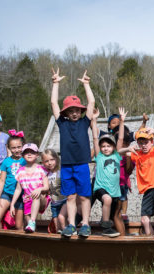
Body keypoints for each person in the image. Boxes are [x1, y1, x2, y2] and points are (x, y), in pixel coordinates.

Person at [51, 68, 96, 237]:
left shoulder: (85, 122)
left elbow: (91, 103)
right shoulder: (62, 123)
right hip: (67, 166)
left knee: (84, 197)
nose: (75, 112)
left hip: (82, 164)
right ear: (66, 113)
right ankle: (71, 225)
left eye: (77, 110)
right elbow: (54, 104)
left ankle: (85, 223)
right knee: (70, 197)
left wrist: (86, 84)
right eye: (71, 110)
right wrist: (55, 84)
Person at [91, 107, 133, 237]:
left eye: (108, 146)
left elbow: (120, 139)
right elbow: (94, 137)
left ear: (114, 147)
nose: (105, 148)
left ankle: (116, 234)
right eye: (103, 146)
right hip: (100, 188)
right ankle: (105, 225)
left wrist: (121, 121)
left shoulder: (116, 155)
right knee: (107, 199)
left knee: (115, 213)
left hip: (115, 191)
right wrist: (94, 119)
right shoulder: (100, 157)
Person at [129, 126, 154, 239]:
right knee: (144, 220)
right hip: (147, 189)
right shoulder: (137, 155)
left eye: (146, 142)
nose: (144, 145)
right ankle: (150, 238)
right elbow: (118, 152)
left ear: (151, 142)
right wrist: (128, 149)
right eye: (141, 143)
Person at [10, 143, 50, 233]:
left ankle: (32, 222)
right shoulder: (20, 171)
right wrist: (12, 204)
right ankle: (32, 230)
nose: (29, 154)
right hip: (28, 199)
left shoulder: (41, 169)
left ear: (37, 155)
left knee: (36, 197)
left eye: (32, 152)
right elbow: (18, 189)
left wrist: (39, 189)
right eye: (26, 152)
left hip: (41, 198)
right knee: (28, 220)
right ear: (23, 155)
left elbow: (46, 187)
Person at [0, 131, 26, 230]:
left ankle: (19, 245)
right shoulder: (6, 162)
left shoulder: (25, 160)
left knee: (19, 226)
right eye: (13, 148)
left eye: (19, 147)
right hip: (7, 194)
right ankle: (0, 243)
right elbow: (1, 181)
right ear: (9, 148)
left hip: (20, 196)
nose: (17, 150)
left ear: (23, 146)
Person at [41, 149, 67, 233]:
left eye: (52, 160)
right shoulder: (45, 174)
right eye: (46, 161)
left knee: (62, 219)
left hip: (64, 201)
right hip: (54, 203)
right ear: (43, 163)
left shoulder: (61, 172)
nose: (49, 163)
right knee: (57, 226)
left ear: (56, 159)